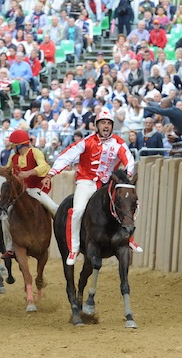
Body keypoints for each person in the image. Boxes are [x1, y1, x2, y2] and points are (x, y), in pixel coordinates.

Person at [42, 110, 142, 266]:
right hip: (86, 182)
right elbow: (67, 156)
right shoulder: (86, 141)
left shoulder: (119, 142)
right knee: (78, 211)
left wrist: (128, 175)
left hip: (107, 183)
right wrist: (51, 174)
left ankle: (129, 240)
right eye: (103, 123)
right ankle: (74, 248)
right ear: (97, 126)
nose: (106, 126)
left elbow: (128, 159)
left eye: (109, 123)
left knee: (127, 205)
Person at [1, 129, 60, 258]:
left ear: (18, 145)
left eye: (13, 144)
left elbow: (44, 167)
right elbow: (7, 170)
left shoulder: (35, 152)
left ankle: (64, 236)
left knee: (55, 209)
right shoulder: (13, 157)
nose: (12, 146)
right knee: (5, 216)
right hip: (18, 195)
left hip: (35, 190)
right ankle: (10, 248)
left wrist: (28, 173)